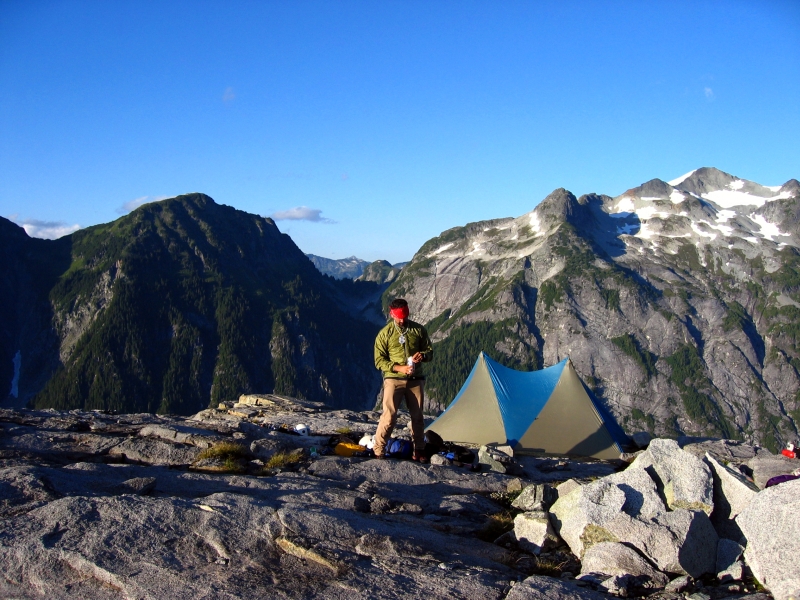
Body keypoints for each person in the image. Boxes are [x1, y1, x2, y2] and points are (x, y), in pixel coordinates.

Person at [373, 298, 433, 462]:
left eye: (404, 316)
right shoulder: (385, 334)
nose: (402, 320)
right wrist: (399, 368)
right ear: (392, 314)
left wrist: (423, 356)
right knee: (389, 416)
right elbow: (379, 361)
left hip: (415, 378)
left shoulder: (418, 330)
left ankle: (419, 449)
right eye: (399, 317)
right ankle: (379, 449)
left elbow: (429, 352)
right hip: (394, 379)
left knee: (417, 416)